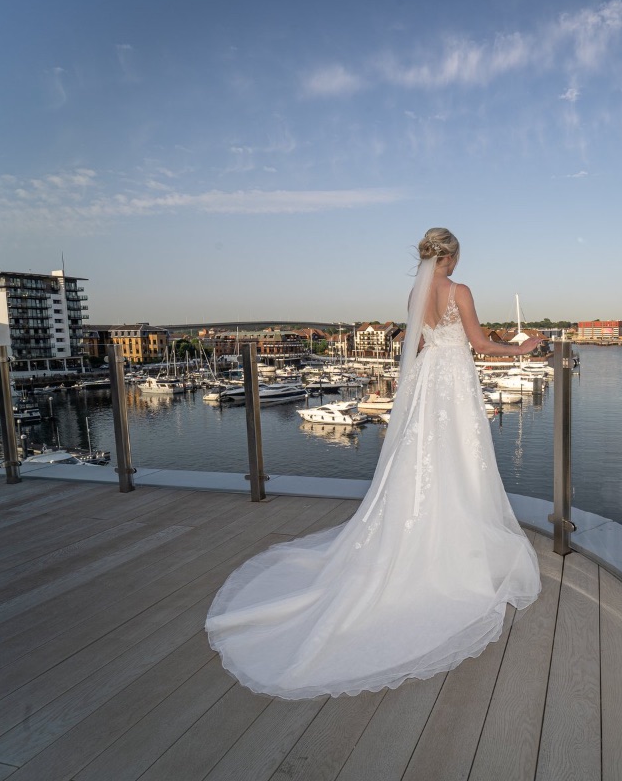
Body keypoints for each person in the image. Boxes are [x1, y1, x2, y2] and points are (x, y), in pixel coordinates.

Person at [205, 227, 544, 699]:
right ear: (452, 256)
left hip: (428, 381)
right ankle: (455, 541)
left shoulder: (417, 291)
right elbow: (481, 345)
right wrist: (523, 349)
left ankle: (422, 530)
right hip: (453, 382)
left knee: (421, 456)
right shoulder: (458, 290)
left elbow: (419, 344)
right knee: (459, 460)